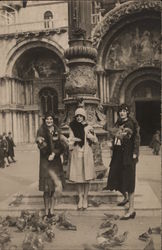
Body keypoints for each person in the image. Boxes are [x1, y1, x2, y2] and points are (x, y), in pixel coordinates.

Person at [103, 103, 140, 220]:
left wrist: (135, 152)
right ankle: (125, 197)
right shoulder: (118, 122)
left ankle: (131, 210)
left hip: (128, 156)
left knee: (129, 181)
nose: (122, 113)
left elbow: (135, 139)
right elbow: (115, 136)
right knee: (116, 175)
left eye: (124, 111)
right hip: (118, 155)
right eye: (120, 111)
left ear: (128, 112)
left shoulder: (131, 123)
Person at [36, 112, 66, 218]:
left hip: (55, 162)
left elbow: (62, 146)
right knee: (46, 188)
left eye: (51, 119)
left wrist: (55, 153)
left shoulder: (57, 131)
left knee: (53, 188)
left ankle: (52, 210)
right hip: (45, 161)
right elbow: (40, 144)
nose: (49, 121)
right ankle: (46, 210)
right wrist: (48, 152)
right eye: (47, 119)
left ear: (54, 120)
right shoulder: (41, 130)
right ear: (45, 120)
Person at [68, 107, 98, 210]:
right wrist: (71, 140)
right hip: (77, 153)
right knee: (78, 178)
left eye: (81, 116)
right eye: (77, 116)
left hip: (87, 153)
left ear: (84, 116)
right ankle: (80, 197)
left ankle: (86, 198)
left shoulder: (88, 127)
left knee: (87, 177)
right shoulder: (72, 126)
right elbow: (70, 140)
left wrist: (91, 137)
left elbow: (95, 140)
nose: (79, 118)